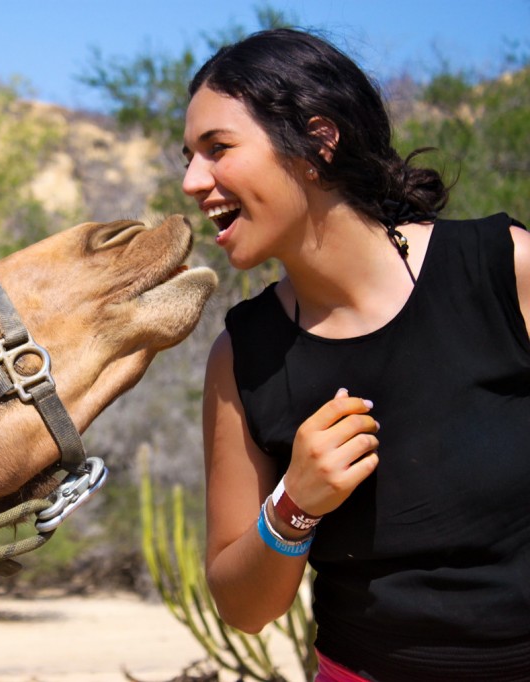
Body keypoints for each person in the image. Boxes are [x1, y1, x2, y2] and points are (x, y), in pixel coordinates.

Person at [182, 28, 530, 682]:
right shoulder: (242, 358)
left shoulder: (504, 273)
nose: (193, 180)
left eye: (217, 149)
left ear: (318, 141)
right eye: (188, 156)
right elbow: (242, 606)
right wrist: (293, 506)